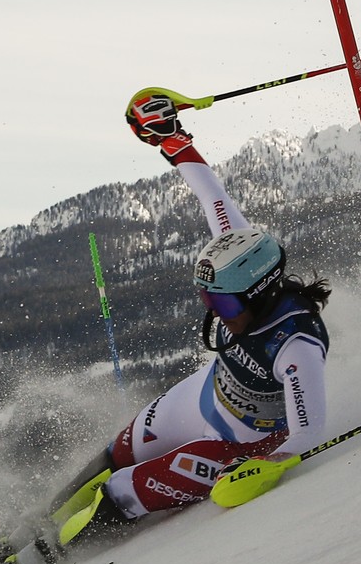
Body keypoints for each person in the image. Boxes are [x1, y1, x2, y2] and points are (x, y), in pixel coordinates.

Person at [47, 93, 333, 539]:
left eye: (225, 305)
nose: (218, 315)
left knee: (123, 490)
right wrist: (172, 138)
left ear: (258, 293)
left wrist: (264, 467)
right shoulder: (237, 249)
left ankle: (43, 558)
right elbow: (210, 194)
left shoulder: (296, 344)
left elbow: (308, 429)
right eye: (210, 302)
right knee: (113, 458)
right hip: (200, 395)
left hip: (236, 441)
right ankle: (37, 526)